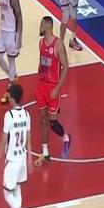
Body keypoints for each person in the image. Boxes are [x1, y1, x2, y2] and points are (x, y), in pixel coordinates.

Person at [0, 83, 35, 208]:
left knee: (7, 195)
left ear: (11, 99)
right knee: (17, 190)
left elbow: (3, 139)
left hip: (12, 160)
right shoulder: (26, 114)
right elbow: (29, 140)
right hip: (22, 158)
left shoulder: (9, 116)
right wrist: (29, 159)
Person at [34, 16, 71, 166]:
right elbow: (41, 60)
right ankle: (45, 153)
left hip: (53, 87)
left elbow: (65, 67)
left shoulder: (58, 44)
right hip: (42, 85)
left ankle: (66, 137)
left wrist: (57, 88)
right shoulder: (41, 43)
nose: (39, 27)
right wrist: (39, 70)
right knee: (42, 120)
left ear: (46, 26)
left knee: (53, 122)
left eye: (41, 25)